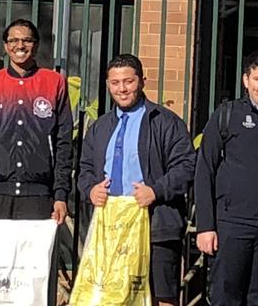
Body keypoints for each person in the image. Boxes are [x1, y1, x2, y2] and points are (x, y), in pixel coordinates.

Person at [78, 53, 195, 306]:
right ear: (108, 85)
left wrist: (156, 191)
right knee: (111, 297)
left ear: (142, 81)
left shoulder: (165, 122)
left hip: (156, 225)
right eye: (115, 83)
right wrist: (90, 190)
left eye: (128, 81)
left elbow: (186, 166)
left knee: (161, 296)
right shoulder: (99, 127)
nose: (122, 89)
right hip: (110, 228)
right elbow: (85, 169)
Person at [195, 50, 258, 305]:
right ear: (246, 80)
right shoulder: (227, 115)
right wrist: (205, 226)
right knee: (225, 296)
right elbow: (204, 169)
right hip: (233, 225)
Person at [0, 18, 72, 232]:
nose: (20, 46)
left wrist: (61, 194)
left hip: (39, 197)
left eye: (26, 40)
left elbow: (63, 143)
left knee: (36, 265)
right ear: (6, 46)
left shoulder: (54, 83)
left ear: (35, 45)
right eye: (14, 40)